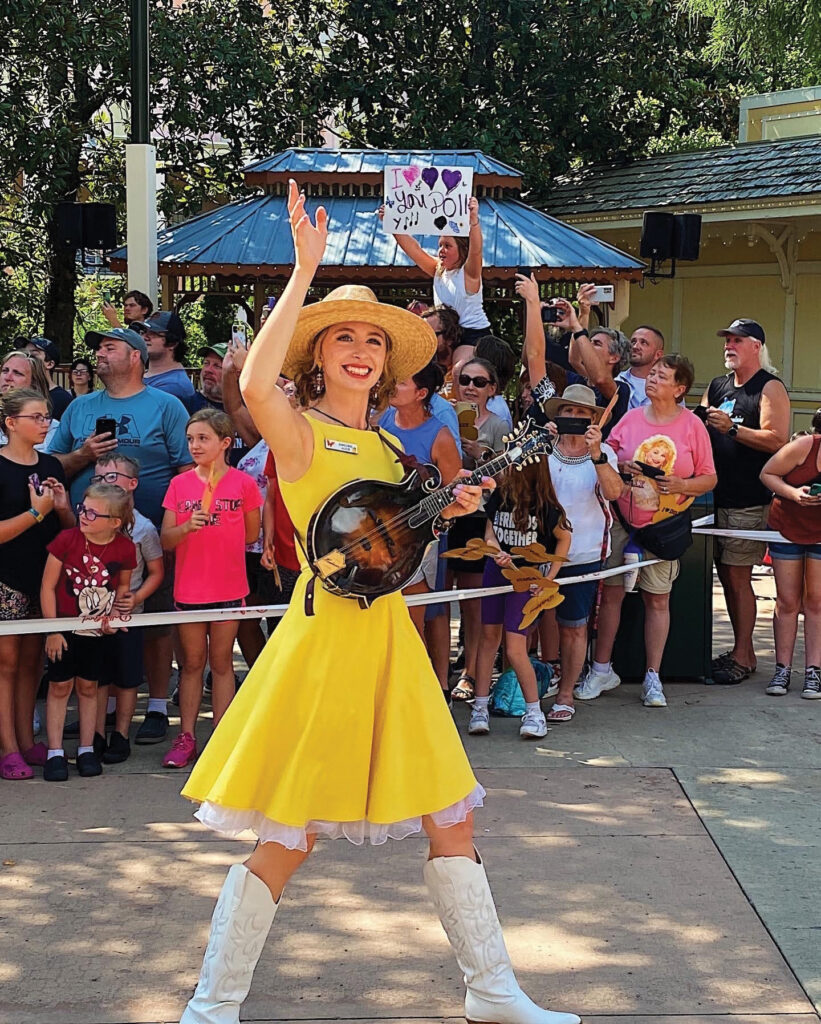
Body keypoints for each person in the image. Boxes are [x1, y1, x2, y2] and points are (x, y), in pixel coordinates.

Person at [176, 182, 578, 1024]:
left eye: (370, 340)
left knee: (449, 821)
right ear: (316, 355)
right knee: (286, 837)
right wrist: (305, 272)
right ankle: (212, 1005)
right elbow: (252, 385)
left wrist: (451, 508)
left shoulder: (391, 447)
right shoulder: (294, 427)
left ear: (387, 361)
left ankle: (493, 992)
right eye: (340, 338)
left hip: (388, 643)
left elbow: (392, 549)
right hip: (321, 648)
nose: (358, 350)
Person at [48, 325, 191, 746]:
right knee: (94, 619)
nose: (100, 355)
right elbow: (55, 464)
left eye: (110, 347)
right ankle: (102, 707)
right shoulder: (79, 407)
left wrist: (179, 529)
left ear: (135, 356)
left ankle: (159, 706)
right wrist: (82, 455)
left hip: (149, 536)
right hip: (85, 539)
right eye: (99, 349)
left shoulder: (167, 406)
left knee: (154, 620)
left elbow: (187, 471)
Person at [577, 355, 716, 709]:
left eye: (662, 375)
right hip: (623, 522)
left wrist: (682, 483)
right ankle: (601, 669)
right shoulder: (632, 417)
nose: (652, 379)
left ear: (679, 388)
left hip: (663, 529)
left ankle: (653, 676)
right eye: (651, 373)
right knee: (610, 595)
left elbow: (710, 478)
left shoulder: (692, 426)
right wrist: (620, 464)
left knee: (658, 599)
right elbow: (609, 455)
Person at [160, 408, 262, 769]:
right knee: (191, 663)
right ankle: (186, 736)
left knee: (221, 663)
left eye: (203, 438)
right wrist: (188, 528)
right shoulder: (180, 484)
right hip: (189, 589)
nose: (195, 445)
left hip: (229, 586)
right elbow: (166, 539)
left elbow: (252, 534)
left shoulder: (243, 484)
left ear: (224, 443)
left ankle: (221, 735)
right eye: (190, 439)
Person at [701, 318, 790, 685]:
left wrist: (733, 429)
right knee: (724, 573)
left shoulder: (769, 388)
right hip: (712, 497)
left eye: (737, 340)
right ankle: (742, 649)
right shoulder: (718, 385)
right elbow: (701, 425)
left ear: (756, 346)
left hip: (747, 498)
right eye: (727, 340)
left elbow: (777, 440)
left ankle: (743, 655)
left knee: (738, 577)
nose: (729, 346)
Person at [0, 388, 73, 780]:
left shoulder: (52, 466)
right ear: (11, 423)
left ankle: (27, 740)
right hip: (4, 578)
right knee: (6, 665)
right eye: (37, 417)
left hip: (42, 576)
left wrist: (60, 510)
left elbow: (67, 532)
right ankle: (8, 746)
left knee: (32, 663)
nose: (45, 423)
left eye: (47, 416)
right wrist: (35, 511)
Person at [469, 459, 571, 739]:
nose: (506, 471)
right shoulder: (500, 496)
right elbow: (490, 533)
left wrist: (549, 576)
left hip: (525, 579)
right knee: (488, 637)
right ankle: (479, 707)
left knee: (515, 647)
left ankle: (534, 711)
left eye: (513, 466)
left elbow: (564, 538)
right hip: (496, 572)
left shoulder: (546, 507)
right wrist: (494, 550)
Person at [40, 483, 136, 781]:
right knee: (58, 687)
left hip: (97, 631)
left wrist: (117, 613)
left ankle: (86, 749)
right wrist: (53, 631)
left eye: (93, 513)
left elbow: (122, 587)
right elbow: (47, 586)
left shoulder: (124, 548)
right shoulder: (66, 540)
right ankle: (55, 752)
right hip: (64, 626)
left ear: (114, 522)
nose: (84, 515)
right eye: (83, 508)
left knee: (89, 687)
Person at [540, 384, 623, 722]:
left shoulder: (602, 453)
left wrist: (597, 452)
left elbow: (615, 492)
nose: (573, 418)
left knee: (574, 626)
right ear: (557, 416)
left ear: (592, 418)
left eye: (580, 413)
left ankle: (565, 694)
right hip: (539, 553)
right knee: (536, 621)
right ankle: (543, 679)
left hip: (585, 553)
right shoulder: (542, 449)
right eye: (567, 412)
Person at [378, 361, 462, 648]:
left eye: (402, 382)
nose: (393, 386)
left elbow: (453, 494)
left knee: (412, 628)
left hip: (418, 540)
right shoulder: (380, 422)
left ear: (420, 393)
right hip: (377, 534)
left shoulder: (441, 436)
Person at [91, 453, 164, 764]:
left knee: (127, 677)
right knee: (94, 677)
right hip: (91, 615)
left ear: (132, 484)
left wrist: (136, 597)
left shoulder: (144, 529)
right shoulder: (88, 522)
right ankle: (93, 735)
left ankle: (120, 734)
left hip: (128, 616)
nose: (104, 484)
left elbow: (156, 570)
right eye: (98, 478)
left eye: (112, 477)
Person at [448, 358, 508, 703]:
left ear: (492, 389)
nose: (471, 386)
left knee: (472, 603)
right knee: (438, 599)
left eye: (479, 381)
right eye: (465, 379)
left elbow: (507, 481)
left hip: (478, 517)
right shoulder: (443, 416)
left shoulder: (499, 425)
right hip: (443, 515)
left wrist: (481, 457)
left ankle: (470, 673)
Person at [518, 276, 630, 437]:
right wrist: (583, 312)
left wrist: (576, 328)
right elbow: (542, 358)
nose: (587, 345)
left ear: (614, 358)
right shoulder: (574, 381)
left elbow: (600, 379)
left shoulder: (621, 389)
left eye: (596, 344)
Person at [760, 411, 821, 699]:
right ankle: (782, 668)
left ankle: (813, 671)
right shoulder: (805, 445)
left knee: (816, 601)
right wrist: (794, 493)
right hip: (788, 525)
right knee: (787, 600)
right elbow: (767, 473)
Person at [381, 198, 491, 343]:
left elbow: (476, 250)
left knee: (460, 366)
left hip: (473, 335)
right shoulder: (439, 271)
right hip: (446, 334)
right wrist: (391, 224)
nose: (441, 250)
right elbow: (414, 250)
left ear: (463, 249)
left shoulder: (469, 274)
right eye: (440, 245)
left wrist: (474, 221)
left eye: (447, 246)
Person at [1, 351, 61, 449]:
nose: (7, 378)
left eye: (17, 373)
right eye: (5, 370)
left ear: (34, 383)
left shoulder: (51, 429)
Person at [137, 311, 196, 406]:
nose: (145, 337)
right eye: (144, 332)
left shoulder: (173, 386)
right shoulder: (147, 374)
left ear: (172, 343)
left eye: (154, 333)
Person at [15, 336, 71, 418]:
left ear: (50, 364)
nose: (27, 358)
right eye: (24, 354)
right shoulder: (17, 394)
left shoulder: (63, 399)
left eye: (33, 354)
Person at [616, 326, 665, 410]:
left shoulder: (668, 388)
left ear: (658, 355)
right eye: (633, 341)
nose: (635, 347)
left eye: (643, 343)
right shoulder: (616, 380)